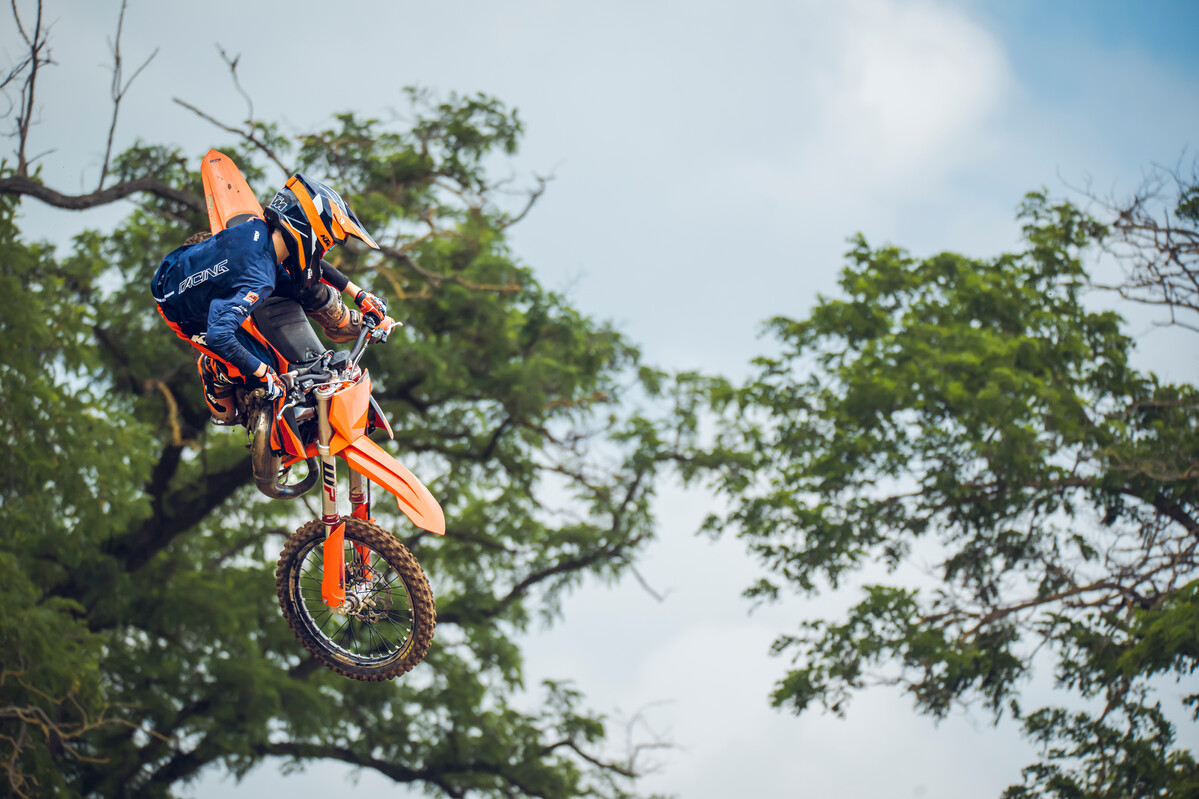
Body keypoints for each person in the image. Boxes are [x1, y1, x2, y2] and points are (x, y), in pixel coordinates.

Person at [152, 173, 396, 424]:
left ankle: (339, 319)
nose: (325, 250)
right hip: (181, 309)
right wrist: (265, 373)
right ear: (309, 233)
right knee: (257, 368)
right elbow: (219, 335)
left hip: (183, 264)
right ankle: (214, 370)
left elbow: (311, 264)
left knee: (303, 284)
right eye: (327, 244)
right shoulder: (259, 278)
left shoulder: (261, 230)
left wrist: (359, 294)